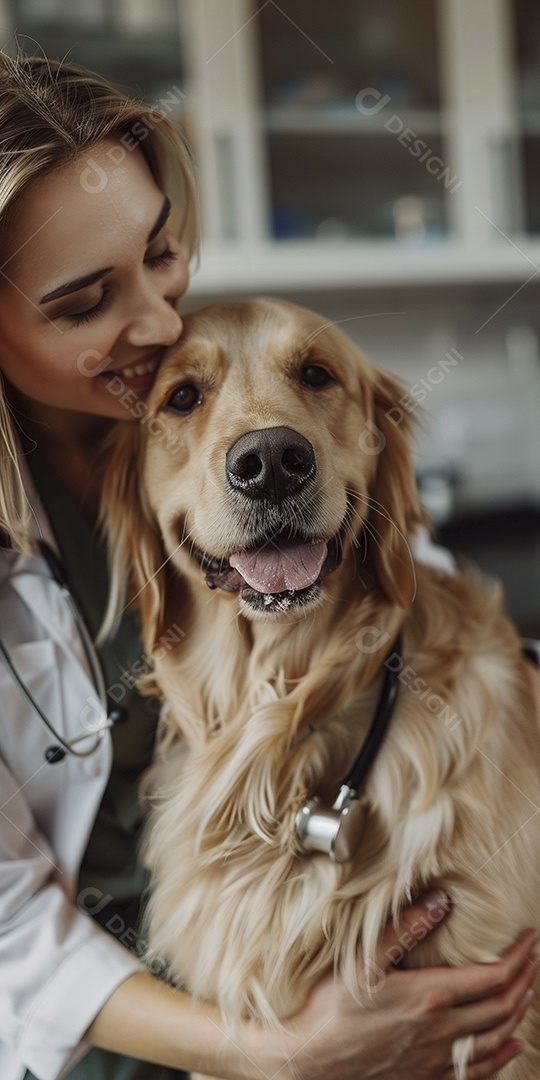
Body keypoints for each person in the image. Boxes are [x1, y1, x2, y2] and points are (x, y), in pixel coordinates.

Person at [0, 49, 536, 1080]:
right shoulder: (121, 472)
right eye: (83, 302)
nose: (158, 324)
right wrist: (281, 1055)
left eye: (160, 251)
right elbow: (11, 930)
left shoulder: (223, 379)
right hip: (105, 1036)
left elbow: (401, 572)